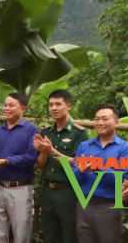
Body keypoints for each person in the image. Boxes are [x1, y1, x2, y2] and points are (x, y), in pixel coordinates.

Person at [72, 105, 128, 243]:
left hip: (109, 207)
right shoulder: (85, 146)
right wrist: (82, 171)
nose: (100, 123)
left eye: (105, 119)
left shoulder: (125, 149)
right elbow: (74, 176)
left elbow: (124, 180)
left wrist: (97, 168)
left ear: (116, 122)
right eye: (97, 119)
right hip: (84, 206)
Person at [0, 92, 39, 243]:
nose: (6, 108)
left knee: (21, 234)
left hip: (20, 188)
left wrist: (6, 161)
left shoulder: (30, 130)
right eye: (5, 105)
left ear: (23, 109)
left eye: (11, 105)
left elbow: (31, 157)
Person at [33, 89, 88, 243]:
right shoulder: (46, 132)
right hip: (48, 191)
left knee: (69, 235)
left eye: (58, 104)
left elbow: (78, 163)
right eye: (51, 105)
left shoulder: (79, 133)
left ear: (68, 106)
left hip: (68, 191)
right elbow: (40, 166)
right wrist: (43, 152)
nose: (54, 108)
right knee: (49, 235)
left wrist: (52, 151)